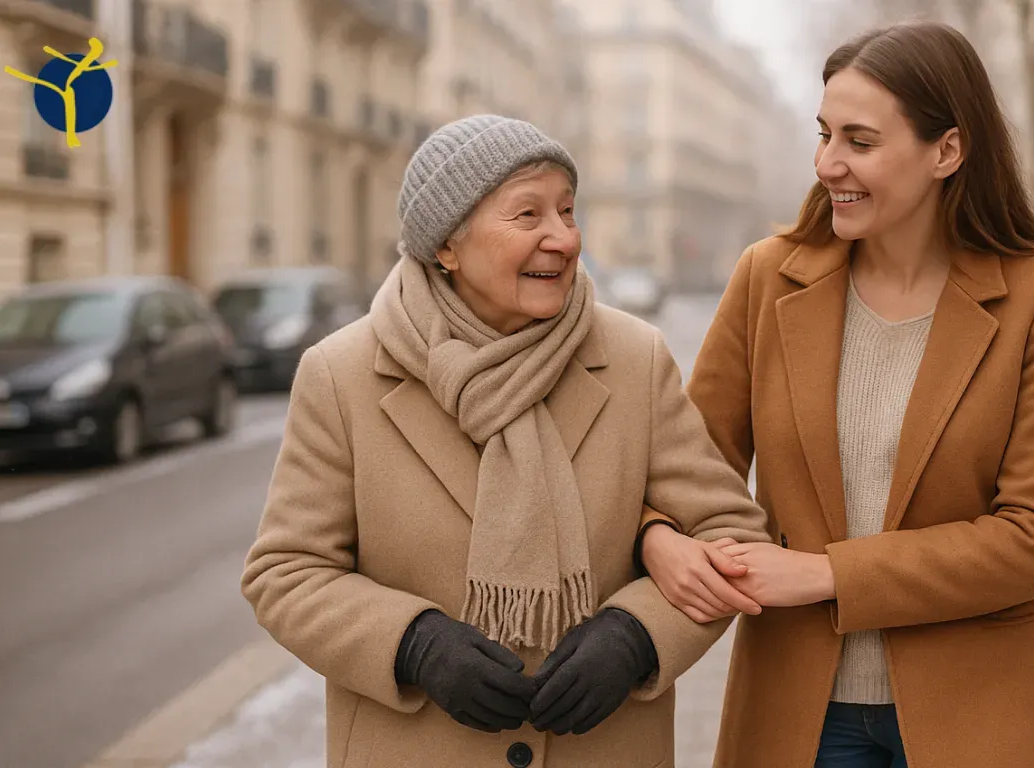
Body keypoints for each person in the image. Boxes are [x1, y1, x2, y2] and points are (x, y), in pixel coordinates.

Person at [240, 114, 770, 768]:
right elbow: (285, 573)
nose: (564, 238)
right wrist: (413, 645)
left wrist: (638, 636)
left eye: (568, 211)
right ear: (446, 245)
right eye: (528, 214)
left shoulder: (635, 359)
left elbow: (732, 538)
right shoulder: (342, 374)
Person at [637, 22, 1034, 768]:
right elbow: (681, 467)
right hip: (798, 712)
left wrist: (826, 573)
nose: (826, 164)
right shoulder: (768, 278)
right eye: (823, 135)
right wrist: (658, 538)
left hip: (978, 710)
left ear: (947, 150)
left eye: (859, 141)